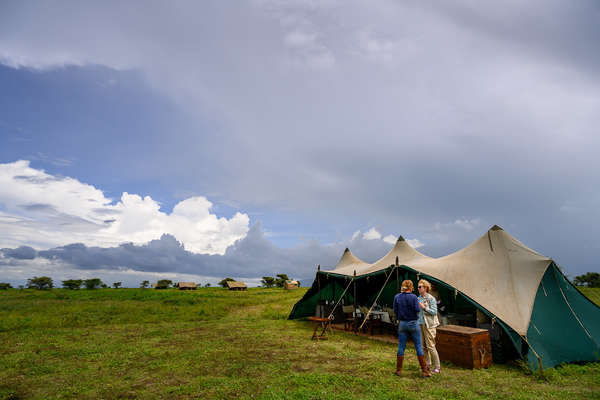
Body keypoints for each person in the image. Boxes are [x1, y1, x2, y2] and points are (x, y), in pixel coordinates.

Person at [393, 279, 431, 377]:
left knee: (401, 346)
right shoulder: (414, 297)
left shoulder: (397, 297)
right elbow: (417, 310)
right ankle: (424, 371)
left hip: (402, 324)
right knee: (418, 346)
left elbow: (395, 311)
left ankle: (398, 370)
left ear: (403, 286)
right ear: (411, 287)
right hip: (414, 323)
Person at [418, 279, 441, 374]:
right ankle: (428, 364)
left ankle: (437, 367)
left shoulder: (431, 298)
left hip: (429, 325)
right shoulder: (418, 298)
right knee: (423, 346)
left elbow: (434, 312)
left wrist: (424, 308)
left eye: (420, 287)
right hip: (420, 324)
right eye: (418, 287)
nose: (418, 288)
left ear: (425, 288)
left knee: (431, 346)